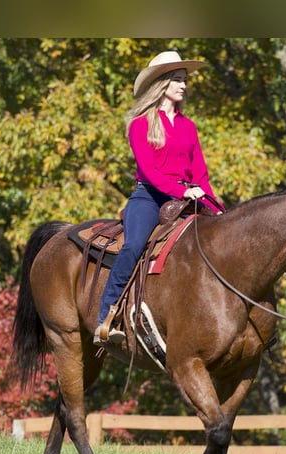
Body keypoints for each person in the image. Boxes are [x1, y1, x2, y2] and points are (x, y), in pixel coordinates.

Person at [94, 50, 225, 345]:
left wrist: (216, 207)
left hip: (188, 196)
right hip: (149, 197)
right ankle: (106, 317)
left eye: (184, 80)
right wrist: (182, 191)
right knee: (134, 246)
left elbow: (200, 174)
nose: (183, 86)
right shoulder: (141, 123)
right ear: (162, 84)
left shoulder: (188, 126)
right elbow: (150, 172)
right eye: (177, 80)